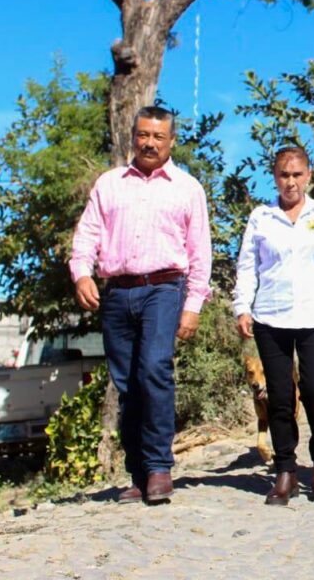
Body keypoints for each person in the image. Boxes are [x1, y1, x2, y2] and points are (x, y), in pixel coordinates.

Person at [69, 106, 211, 505]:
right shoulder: (110, 184)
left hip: (164, 288)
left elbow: (200, 251)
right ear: (133, 137)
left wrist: (193, 304)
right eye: (143, 135)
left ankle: (160, 467)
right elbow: (87, 235)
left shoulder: (187, 188)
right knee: (127, 383)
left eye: (158, 137)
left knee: (154, 369)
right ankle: (138, 473)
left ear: (171, 141)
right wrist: (81, 273)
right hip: (116, 292)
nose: (150, 143)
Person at [232, 146, 314, 505]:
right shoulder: (262, 217)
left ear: (309, 175)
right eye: (284, 175)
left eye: (297, 174)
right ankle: (285, 470)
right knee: (281, 396)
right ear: (274, 177)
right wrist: (243, 306)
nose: (291, 182)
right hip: (271, 316)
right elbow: (247, 266)